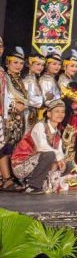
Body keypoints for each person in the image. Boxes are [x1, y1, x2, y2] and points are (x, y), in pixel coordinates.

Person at [11, 99, 67, 194]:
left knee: (63, 162)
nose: (60, 114)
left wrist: (61, 161)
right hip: (21, 165)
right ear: (49, 114)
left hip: (35, 163)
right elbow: (42, 146)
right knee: (50, 155)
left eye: (62, 112)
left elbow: (59, 152)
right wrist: (58, 158)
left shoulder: (57, 133)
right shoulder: (40, 126)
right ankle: (32, 186)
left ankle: (41, 182)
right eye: (57, 111)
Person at [2, 47, 28, 191]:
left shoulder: (19, 79)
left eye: (20, 63)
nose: (18, 66)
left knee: (13, 146)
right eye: (15, 62)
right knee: (5, 147)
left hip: (18, 120)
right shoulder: (4, 77)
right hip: (7, 118)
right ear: (7, 63)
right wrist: (13, 105)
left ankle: (11, 177)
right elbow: (3, 97)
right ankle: (6, 179)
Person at [23, 51, 46, 124]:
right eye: (38, 64)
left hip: (33, 113)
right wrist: (45, 100)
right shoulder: (27, 80)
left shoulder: (34, 78)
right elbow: (31, 100)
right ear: (29, 64)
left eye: (42, 65)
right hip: (26, 114)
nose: (41, 67)